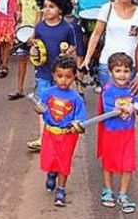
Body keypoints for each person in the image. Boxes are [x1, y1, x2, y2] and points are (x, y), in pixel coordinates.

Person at [26, 0, 76, 152]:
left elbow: (73, 46)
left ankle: (58, 133)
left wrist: (66, 53)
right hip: (43, 72)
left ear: (61, 8)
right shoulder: (39, 27)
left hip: (61, 75)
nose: (47, 10)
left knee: (59, 103)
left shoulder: (67, 28)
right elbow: (34, 45)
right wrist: (33, 50)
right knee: (42, 104)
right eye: (45, 6)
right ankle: (42, 137)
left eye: (51, 6)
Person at [34, 55, 86, 208]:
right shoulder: (47, 93)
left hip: (67, 136)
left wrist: (78, 125)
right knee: (50, 158)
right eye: (60, 76)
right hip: (50, 133)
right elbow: (40, 107)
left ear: (74, 77)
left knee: (64, 162)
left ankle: (61, 189)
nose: (64, 80)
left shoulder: (77, 98)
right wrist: (37, 109)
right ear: (53, 76)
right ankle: (51, 173)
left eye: (68, 76)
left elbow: (81, 120)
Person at [82, 0, 138, 87]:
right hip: (106, 64)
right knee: (109, 100)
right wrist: (87, 58)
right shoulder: (106, 8)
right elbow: (96, 34)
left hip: (130, 65)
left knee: (128, 101)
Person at [97, 53, 138, 213]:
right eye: (118, 71)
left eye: (125, 71)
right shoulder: (108, 90)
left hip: (128, 132)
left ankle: (123, 193)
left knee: (128, 163)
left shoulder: (133, 87)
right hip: (111, 132)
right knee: (109, 162)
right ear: (110, 72)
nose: (122, 74)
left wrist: (134, 107)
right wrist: (122, 108)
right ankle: (108, 190)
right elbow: (108, 108)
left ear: (131, 72)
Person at [8, 0, 40, 100]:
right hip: (23, 31)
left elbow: (39, 18)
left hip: (36, 33)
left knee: (37, 61)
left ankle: (39, 87)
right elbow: (19, 8)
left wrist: (33, 35)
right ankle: (19, 89)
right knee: (22, 60)